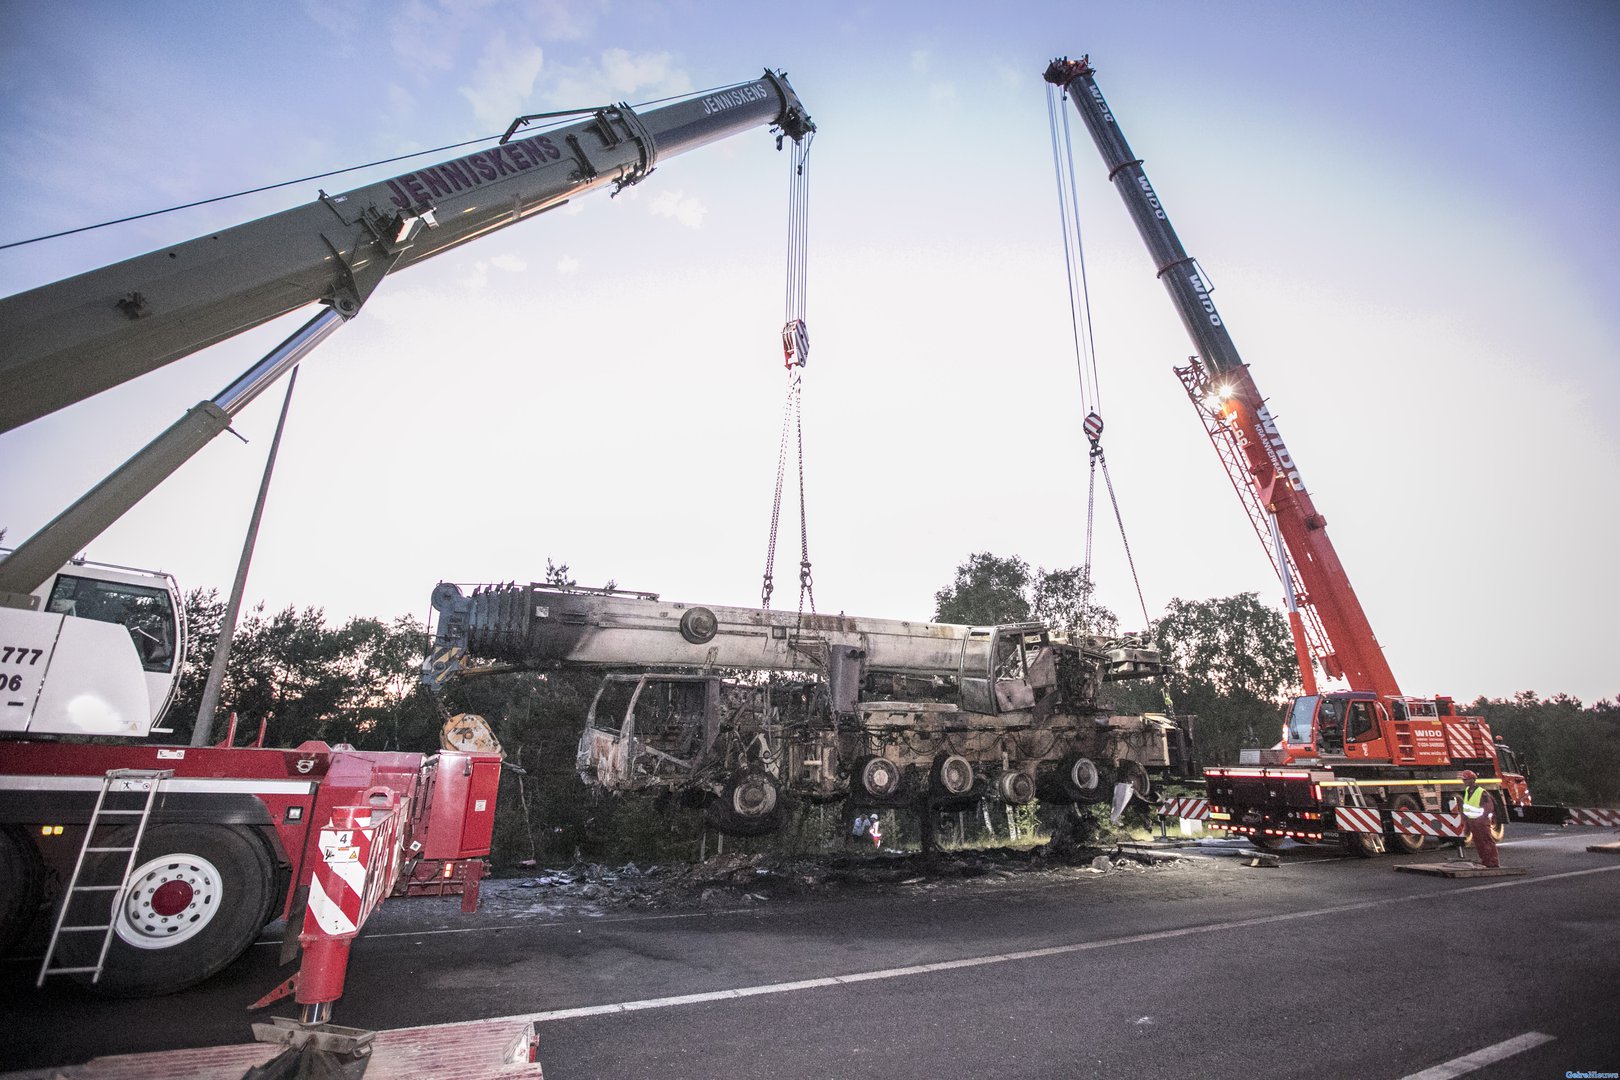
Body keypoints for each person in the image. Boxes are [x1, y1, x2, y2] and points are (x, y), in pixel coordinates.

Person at [1456, 770, 1499, 869]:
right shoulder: (1468, 791)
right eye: (1464, 780)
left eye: (1466, 779)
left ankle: (1493, 861)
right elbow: (1467, 807)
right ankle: (1485, 860)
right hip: (1473, 821)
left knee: (1486, 841)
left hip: (1481, 821)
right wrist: (1466, 820)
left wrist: (1481, 819)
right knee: (1479, 842)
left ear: (1472, 780)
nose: (1464, 781)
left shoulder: (1481, 792)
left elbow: (1488, 807)